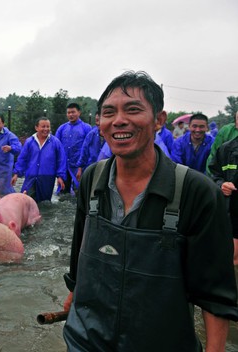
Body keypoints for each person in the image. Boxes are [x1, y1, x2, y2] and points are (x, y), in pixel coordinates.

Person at [62, 71, 238, 351]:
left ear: (159, 120)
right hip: (86, 341)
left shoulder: (197, 193)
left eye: (133, 109)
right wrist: (73, 293)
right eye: (109, 112)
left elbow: (215, 294)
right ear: (100, 123)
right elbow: (79, 249)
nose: (118, 120)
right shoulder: (93, 180)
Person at [11, 117, 66, 203]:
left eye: (48, 127)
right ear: (36, 128)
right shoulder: (29, 142)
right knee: (25, 200)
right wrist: (16, 174)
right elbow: (22, 159)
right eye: (43, 126)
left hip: (47, 178)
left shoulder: (55, 142)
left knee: (44, 203)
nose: (46, 129)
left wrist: (60, 176)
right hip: (31, 177)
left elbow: (61, 160)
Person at [209, 136, 238, 265]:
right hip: (233, 214)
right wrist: (221, 184)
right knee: (234, 256)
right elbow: (214, 174)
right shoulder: (226, 149)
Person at [55, 103, 92, 194]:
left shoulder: (86, 128)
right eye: (68, 112)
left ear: (79, 112)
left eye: (73, 112)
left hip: (79, 166)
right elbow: (56, 147)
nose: (70, 115)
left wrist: (82, 167)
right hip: (64, 166)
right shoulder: (62, 128)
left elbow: (89, 148)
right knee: (63, 192)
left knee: (79, 191)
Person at [75, 110, 104, 181]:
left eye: (100, 120)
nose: (98, 123)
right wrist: (80, 168)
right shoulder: (91, 134)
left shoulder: (111, 135)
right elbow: (84, 152)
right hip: (92, 167)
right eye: (96, 120)